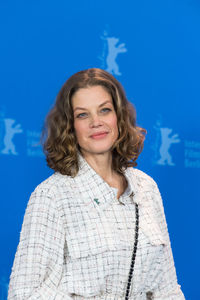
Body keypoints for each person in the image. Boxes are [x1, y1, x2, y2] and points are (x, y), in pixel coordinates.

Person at [8, 68, 185, 300]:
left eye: (104, 110)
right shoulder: (52, 196)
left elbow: (166, 289)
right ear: (70, 126)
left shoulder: (146, 188)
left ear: (119, 117)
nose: (96, 122)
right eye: (83, 115)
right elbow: (23, 294)